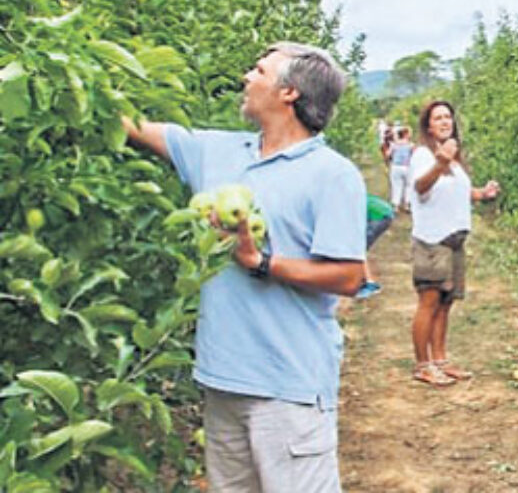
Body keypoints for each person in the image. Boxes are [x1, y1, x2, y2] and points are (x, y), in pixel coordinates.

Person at [123, 42, 366, 492]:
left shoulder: (333, 174)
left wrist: (261, 262)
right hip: (223, 379)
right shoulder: (218, 152)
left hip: (288, 386)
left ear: (289, 92)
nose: (246, 78)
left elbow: (350, 276)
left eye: (259, 70)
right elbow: (132, 126)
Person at [407, 100, 500, 387]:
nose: (445, 122)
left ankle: (440, 361)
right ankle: (423, 365)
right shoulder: (424, 155)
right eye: (438, 118)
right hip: (432, 240)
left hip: (455, 240)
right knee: (429, 301)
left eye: (448, 117)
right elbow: (421, 186)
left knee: (446, 302)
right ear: (428, 126)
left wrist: (481, 193)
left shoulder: (454, 158)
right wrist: (440, 163)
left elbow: (456, 191)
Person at [386, 125, 414, 213]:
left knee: (396, 186)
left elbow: (387, 154)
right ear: (405, 134)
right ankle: (407, 204)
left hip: (396, 167)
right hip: (407, 167)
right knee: (408, 186)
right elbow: (414, 156)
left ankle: (396, 205)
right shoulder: (411, 145)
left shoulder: (394, 145)